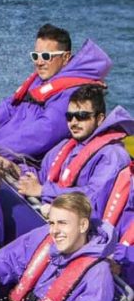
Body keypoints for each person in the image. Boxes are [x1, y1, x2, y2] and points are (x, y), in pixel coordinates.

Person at [0, 24, 112, 163]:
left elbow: (46, 131)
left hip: (23, 163)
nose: (39, 62)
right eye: (36, 56)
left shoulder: (72, 93)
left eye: (46, 56)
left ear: (65, 57)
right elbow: (6, 109)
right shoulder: (39, 81)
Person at [17, 86, 133, 220]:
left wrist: (42, 191)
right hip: (50, 215)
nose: (74, 122)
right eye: (69, 116)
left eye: (82, 116)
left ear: (100, 119)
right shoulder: (65, 146)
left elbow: (93, 197)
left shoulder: (112, 155)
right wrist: (16, 170)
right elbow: (42, 176)